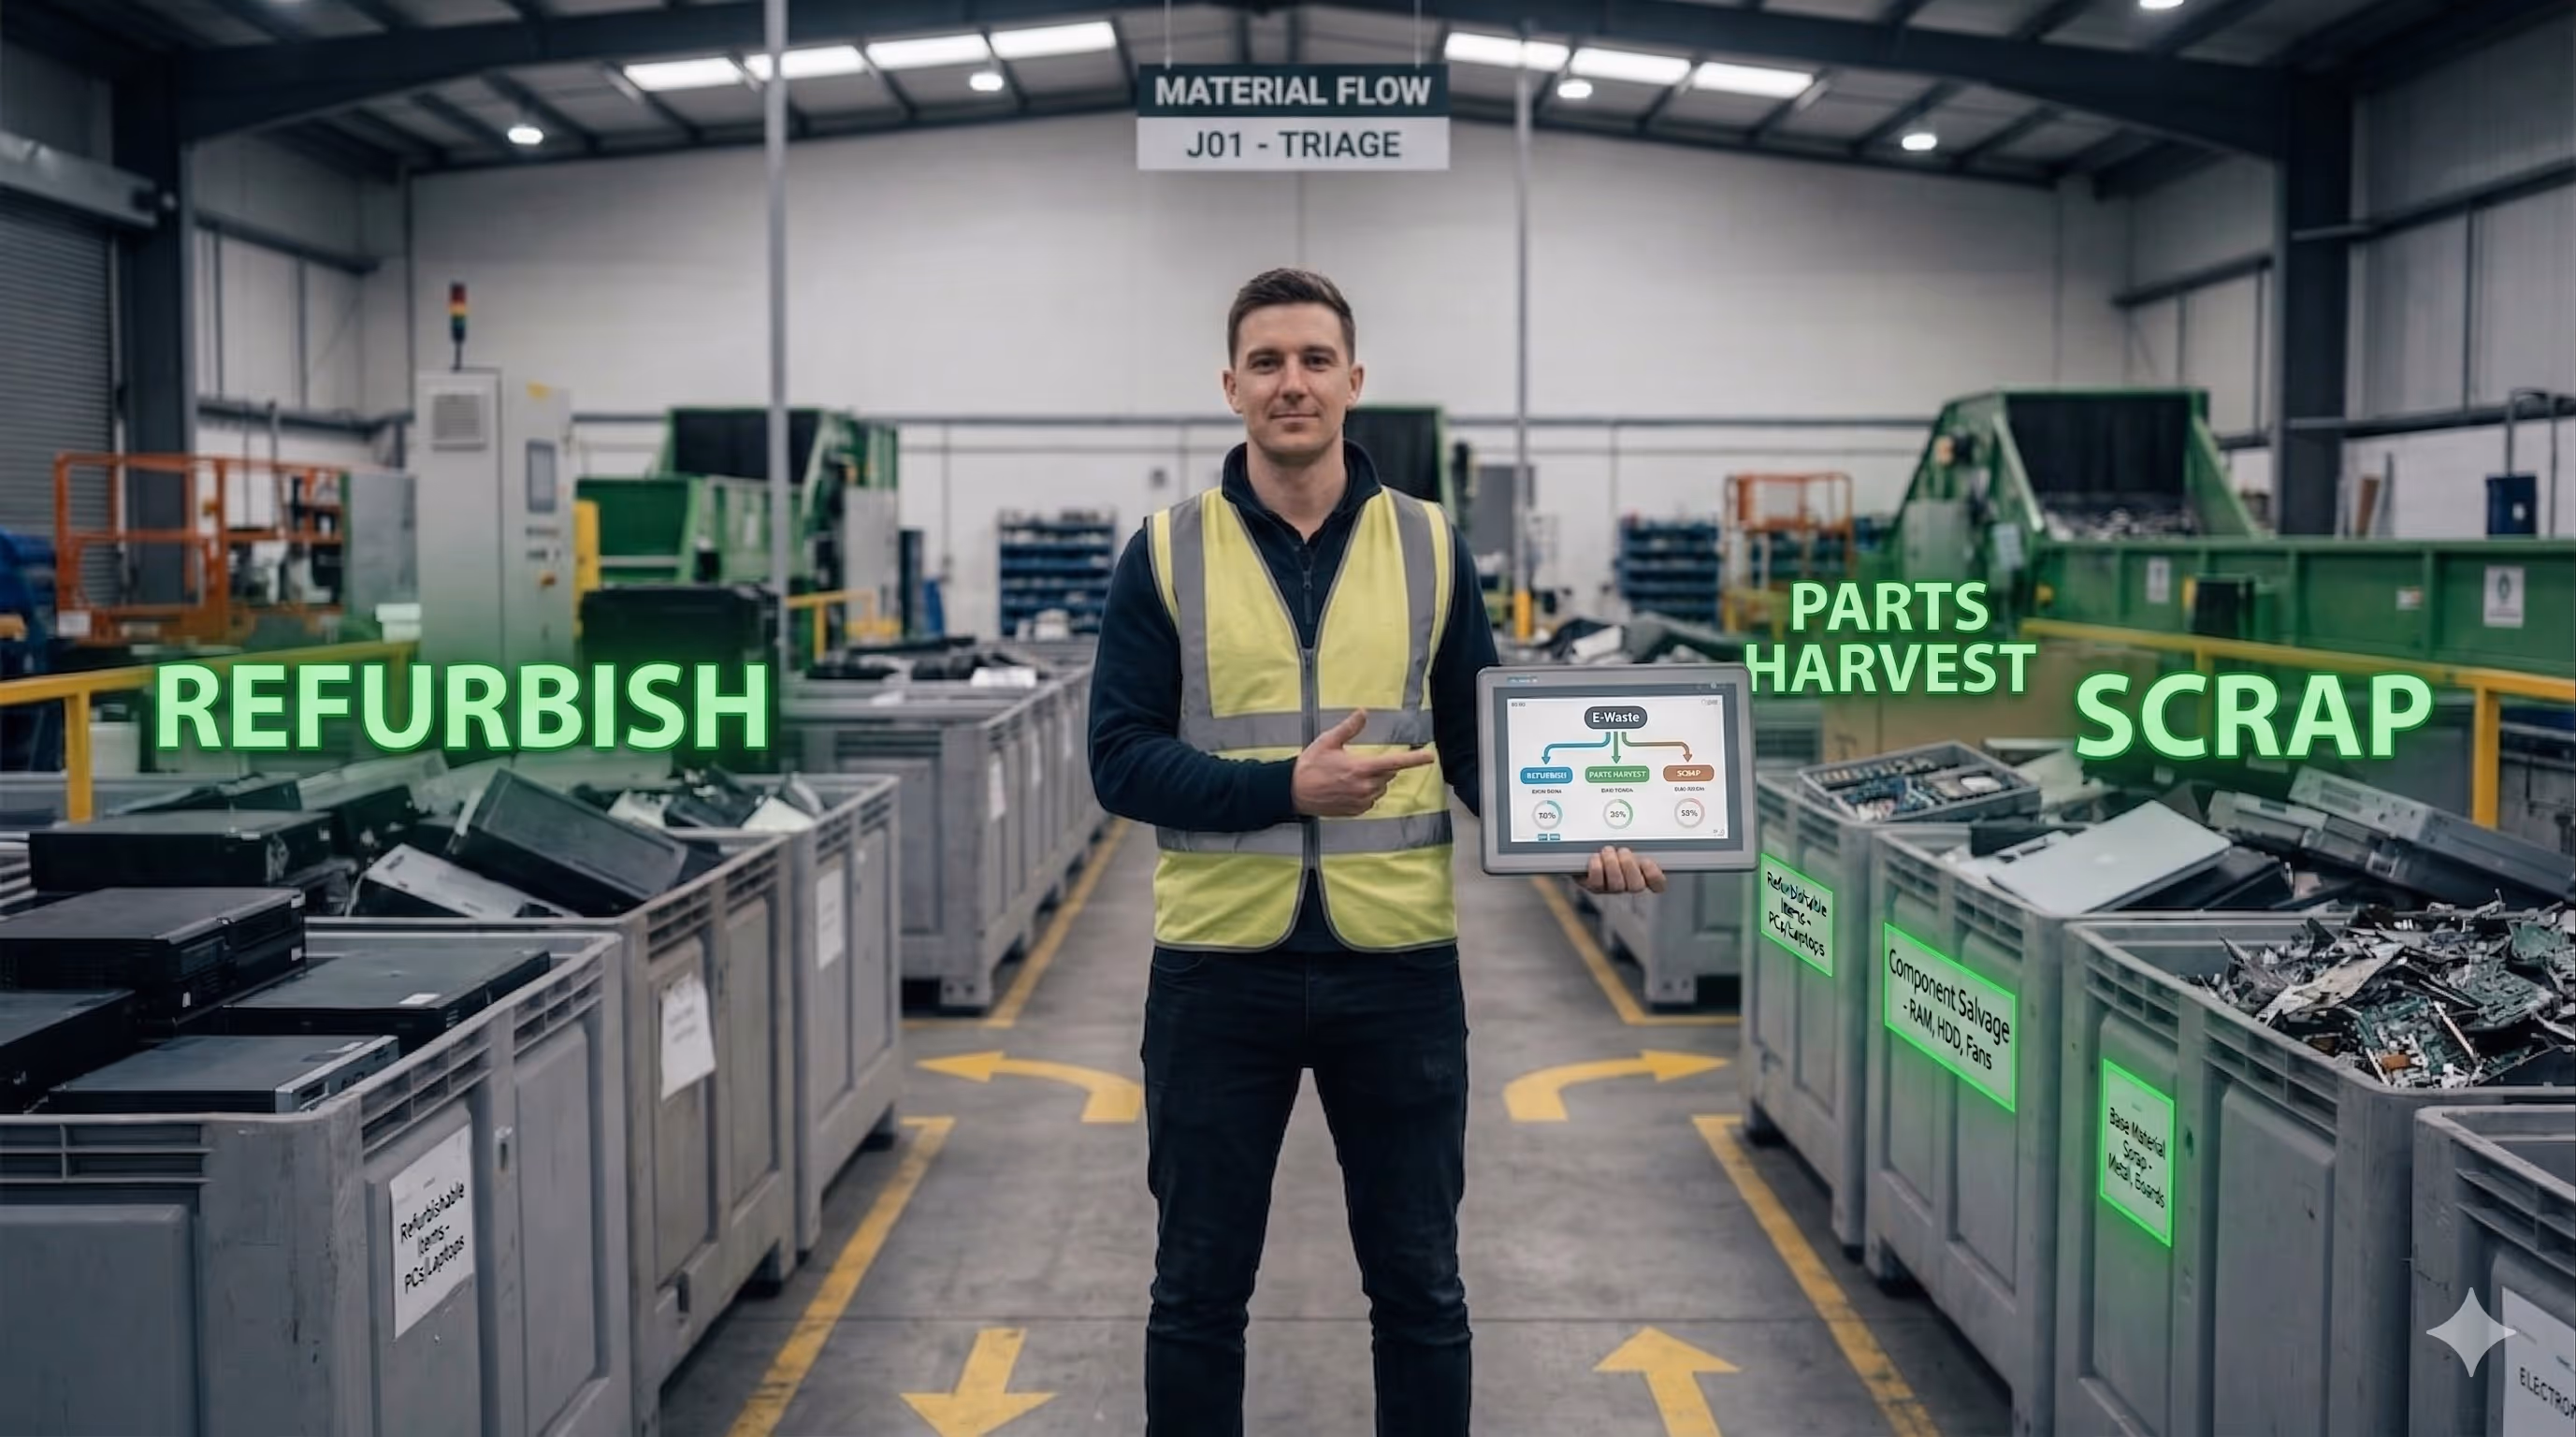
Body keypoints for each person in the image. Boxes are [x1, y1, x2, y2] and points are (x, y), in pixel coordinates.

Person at [1087, 267, 1667, 1436]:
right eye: (1266, 363)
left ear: (1355, 381)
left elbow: (1474, 746)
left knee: (1421, 1290)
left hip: (1397, 971)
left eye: (1313, 361)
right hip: (1217, 973)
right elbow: (1120, 760)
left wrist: (1571, 837)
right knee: (1196, 1294)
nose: (1290, 383)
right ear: (1230, 387)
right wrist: (1282, 787)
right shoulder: (1163, 552)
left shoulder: (1432, 546)